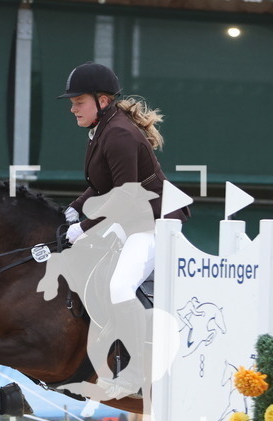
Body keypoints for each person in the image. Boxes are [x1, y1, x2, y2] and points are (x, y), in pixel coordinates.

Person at [57, 62, 189, 399]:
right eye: (72, 102)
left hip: (156, 222)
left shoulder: (117, 134)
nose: (73, 109)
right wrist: (75, 207)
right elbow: (104, 186)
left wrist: (85, 226)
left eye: (78, 102)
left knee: (120, 286)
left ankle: (133, 374)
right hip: (133, 219)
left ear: (102, 100)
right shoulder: (103, 130)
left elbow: (127, 195)